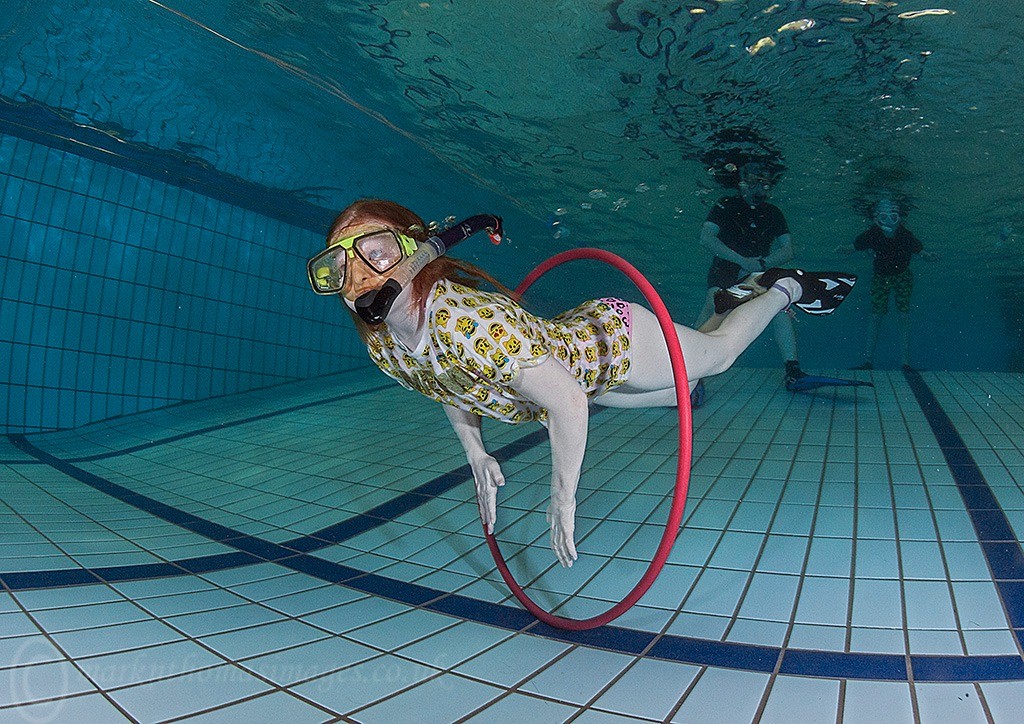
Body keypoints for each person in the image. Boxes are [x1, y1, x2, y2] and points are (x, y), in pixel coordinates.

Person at [311, 199, 856, 568]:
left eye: (376, 252)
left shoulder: (467, 320)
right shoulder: (383, 345)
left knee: (717, 358)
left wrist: (562, 497)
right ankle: (728, 300)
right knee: (681, 388)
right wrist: (476, 453)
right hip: (561, 383)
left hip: (610, 344)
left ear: (415, 251)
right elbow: (448, 384)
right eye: (336, 268)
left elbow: (568, 400)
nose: (359, 276)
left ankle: (785, 287)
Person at [695, 161, 807, 391]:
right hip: (725, 269)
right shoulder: (726, 204)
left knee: (780, 311)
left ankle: (793, 370)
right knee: (715, 305)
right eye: (755, 181)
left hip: (757, 271)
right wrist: (741, 261)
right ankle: (690, 368)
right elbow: (706, 238)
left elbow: (788, 250)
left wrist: (761, 264)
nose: (761, 188)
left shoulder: (773, 213)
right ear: (742, 183)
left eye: (765, 183)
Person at [836, 198, 938, 371]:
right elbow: (853, 247)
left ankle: (905, 362)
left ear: (900, 219)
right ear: (876, 219)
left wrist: (929, 256)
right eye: (884, 217)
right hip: (881, 277)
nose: (889, 222)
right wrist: (842, 249)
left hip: (902, 276)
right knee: (876, 317)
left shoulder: (906, 235)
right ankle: (868, 361)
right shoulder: (871, 234)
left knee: (903, 316)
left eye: (893, 217)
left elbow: (922, 252)